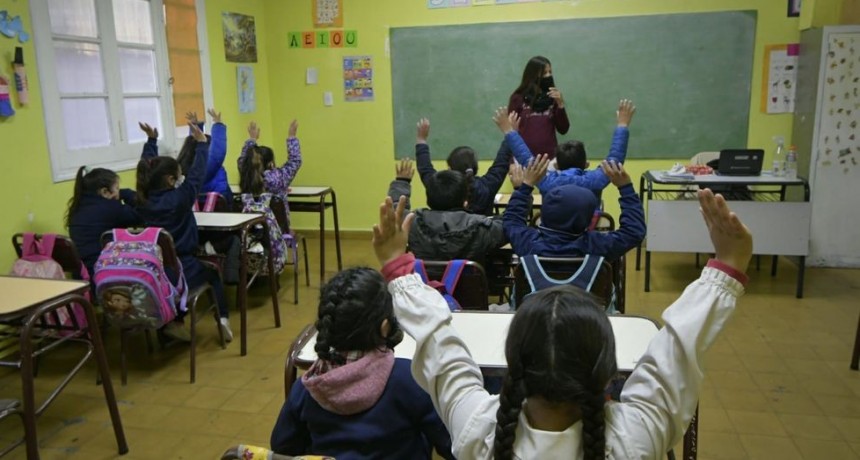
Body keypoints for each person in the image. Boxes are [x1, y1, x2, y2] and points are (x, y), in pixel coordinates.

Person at [371, 190, 752, 459]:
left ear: (511, 370)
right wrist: (726, 270)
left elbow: (440, 346)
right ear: (609, 376)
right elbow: (678, 348)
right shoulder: (634, 441)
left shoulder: (479, 432)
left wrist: (399, 269)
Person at [270, 267, 455, 460]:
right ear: (385, 327)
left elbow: (282, 447)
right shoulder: (409, 379)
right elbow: (452, 446)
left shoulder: (307, 388)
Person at [135, 123, 232, 342]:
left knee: (174, 283)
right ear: (171, 180)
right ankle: (223, 319)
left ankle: (175, 322)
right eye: (178, 177)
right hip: (183, 267)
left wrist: (151, 142)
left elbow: (145, 169)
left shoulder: (140, 201)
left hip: (154, 270)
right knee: (213, 273)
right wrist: (201, 145)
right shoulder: (180, 198)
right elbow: (197, 175)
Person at [503, 155, 645, 260]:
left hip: (537, 301)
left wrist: (524, 187)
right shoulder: (597, 246)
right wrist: (626, 188)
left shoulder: (528, 243)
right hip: (586, 301)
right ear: (589, 219)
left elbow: (511, 221)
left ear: (544, 213)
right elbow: (634, 231)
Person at [496, 100, 636, 198]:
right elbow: (615, 159)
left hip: (552, 237)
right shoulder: (596, 180)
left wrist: (509, 131)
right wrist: (622, 125)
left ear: (556, 165)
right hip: (587, 236)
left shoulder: (546, 182)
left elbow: (524, 157)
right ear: (586, 164)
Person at [405, 166, 506, 264]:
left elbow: (396, 212)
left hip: (421, 281)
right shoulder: (481, 228)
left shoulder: (411, 223)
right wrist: (520, 189)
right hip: (468, 281)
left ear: (428, 199)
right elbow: (512, 225)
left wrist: (402, 181)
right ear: (465, 201)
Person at [414, 117, 511, 216]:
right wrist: (510, 133)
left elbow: (425, 168)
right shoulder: (486, 186)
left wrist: (421, 139)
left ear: (450, 169)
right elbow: (502, 162)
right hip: (481, 231)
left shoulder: (440, 187)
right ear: (475, 167)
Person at [66, 166, 141, 281]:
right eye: (117, 188)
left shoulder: (76, 206)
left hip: (81, 274)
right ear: (105, 192)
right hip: (104, 272)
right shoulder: (111, 208)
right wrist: (127, 194)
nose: (118, 192)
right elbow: (140, 216)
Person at [141, 108, 232, 202]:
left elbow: (193, 146)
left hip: (195, 207)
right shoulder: (204, 169)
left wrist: (197, 127)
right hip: (216, 206)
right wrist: (218, 124)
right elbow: (216, 153)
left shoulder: (179, 170)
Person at [237, 120, 302, 226]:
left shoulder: (246, 175)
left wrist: (252, 140)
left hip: (251, 231)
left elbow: (243, 160)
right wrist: (292, 137)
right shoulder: (278, 179)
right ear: (271, 163)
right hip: (277, 233)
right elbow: (295, 161)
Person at [507, 56, 569, 159]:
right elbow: (510, 132)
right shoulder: (518, 98)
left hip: (550, 158)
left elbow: (563, 129)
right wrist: (511, 162)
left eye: (550, 72)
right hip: (523, 158)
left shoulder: (553, 97)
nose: (548, 76)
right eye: (544, 73)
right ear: (533, 75)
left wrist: (560, 105)